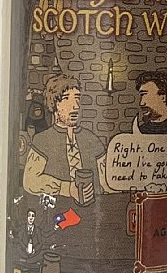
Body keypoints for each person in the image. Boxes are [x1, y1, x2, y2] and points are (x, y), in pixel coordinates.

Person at [23, 74, 108, 204]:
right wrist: (67, 189)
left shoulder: (91, 139)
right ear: (54, 104)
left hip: (93, 210)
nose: (75, 106)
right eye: (66, 99)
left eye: (77, 98)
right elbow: (30, 181)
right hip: (58, 211)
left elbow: (107, 180)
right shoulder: (42, 140)